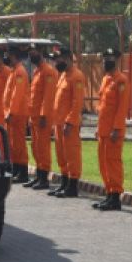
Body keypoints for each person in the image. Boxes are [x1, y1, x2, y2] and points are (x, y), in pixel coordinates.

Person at [93, 48, 128, 212]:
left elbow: (122, 108)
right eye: (105, 57)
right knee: (103, 163)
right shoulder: (106, 79)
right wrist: (98, 128)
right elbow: (102, 107)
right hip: (103, 130)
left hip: (113, 131)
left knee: (113, 163)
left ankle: (115, 197)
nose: (107, 60)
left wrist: (117, 128)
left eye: (110, 57)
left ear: (117, 60)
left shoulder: (121, 80)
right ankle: (108, 193)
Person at [48, 45, 86, 198]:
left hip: (69, 124)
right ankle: (64, 183)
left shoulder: (77, 76)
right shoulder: (63, 75)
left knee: (72, 155)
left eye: (60, 59)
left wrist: (70, 122)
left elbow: (77, 103)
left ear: (69, 58)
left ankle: (72, 186)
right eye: (56, 59)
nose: (57, 62)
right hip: (59, 122)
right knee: (61, 155)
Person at [25, 46, 58, 191]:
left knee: (43, 148)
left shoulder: (48, 72)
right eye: (30, 53)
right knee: (36, 147)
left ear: (41, 53)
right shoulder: (37, 71)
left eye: (34, 53)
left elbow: (48, 96)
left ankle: (44, 178)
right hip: (34, 116)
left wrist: (44, 115)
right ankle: (39, 176)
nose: (32, 56)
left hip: (42, 117)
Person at [1, 41, 31, 184]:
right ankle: (18, 170)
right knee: (13, 144)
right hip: (13, 114)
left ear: (14, 56)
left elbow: (16, 95)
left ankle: (23, 172)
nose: (6, 58)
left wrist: (11, 112)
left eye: (8, 56)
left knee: (19, 143)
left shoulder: (19, 72)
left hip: (17, 114)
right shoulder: (14, 71)